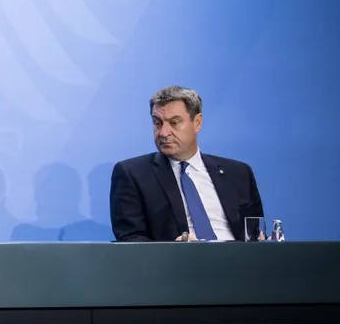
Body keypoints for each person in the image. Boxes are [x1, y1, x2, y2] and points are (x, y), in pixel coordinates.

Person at [109, 86, 263, 242]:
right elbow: (132, 239)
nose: (163, 132)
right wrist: (176, 251)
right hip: (179, 257)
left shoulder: (238, 173)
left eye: (174, 122)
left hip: (238, 255)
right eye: (157, 123)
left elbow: (256, 234)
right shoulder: (133, 174)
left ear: (197, 123)